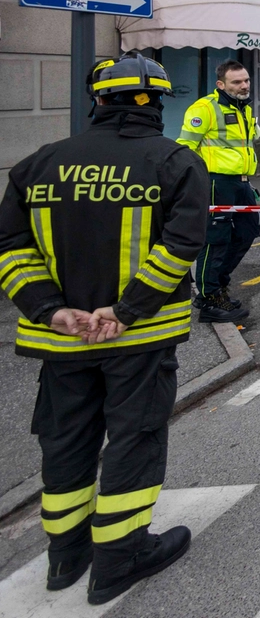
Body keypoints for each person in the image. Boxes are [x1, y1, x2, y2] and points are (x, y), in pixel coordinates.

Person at [0, 52, 208, 604]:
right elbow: (180, 247)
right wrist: (125, 311)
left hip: (61, 340)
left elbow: (12, 251)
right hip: (136, 341)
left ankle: (65, 557)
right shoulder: (175, 163)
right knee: (133, 440)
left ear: (98, 100)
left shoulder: (39, 164)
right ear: (155, 102)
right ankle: (120, 558)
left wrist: (49, 310)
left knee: (65, 442)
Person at [176, 60, 257, 323]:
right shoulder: (205, 108)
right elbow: (185, 148)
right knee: (216, 240)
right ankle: (209, 299)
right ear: (221, 84)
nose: (243, 85)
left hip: (242, 182)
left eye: (245, 80)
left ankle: (218, 283)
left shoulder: (243, 107)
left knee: (248, 231)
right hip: (215, 182)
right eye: (236, 82)